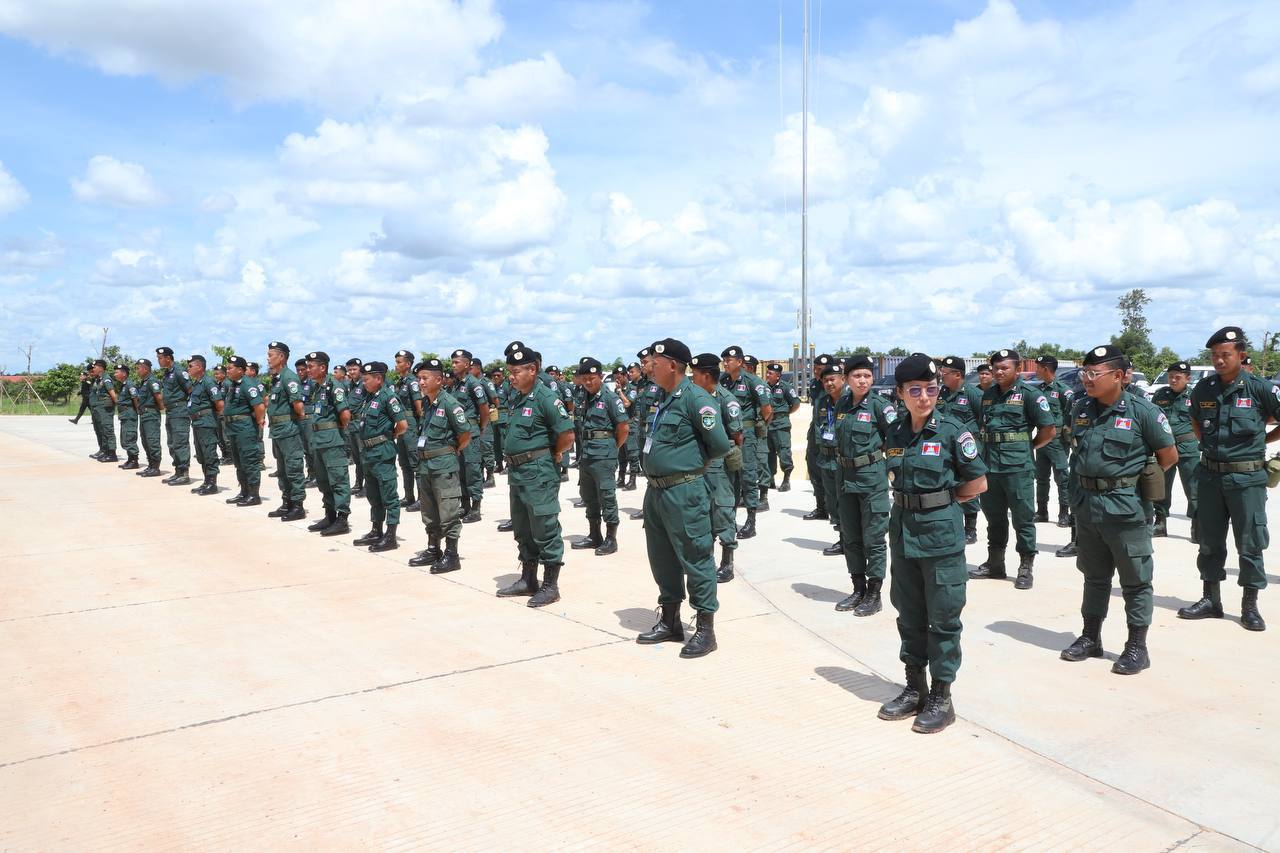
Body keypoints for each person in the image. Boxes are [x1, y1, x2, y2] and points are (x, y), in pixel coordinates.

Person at [878, 354, 987, 734]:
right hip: (903, 534)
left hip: (940, 539)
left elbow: (977, 483)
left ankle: (942, 696)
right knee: (908, 615)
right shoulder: (895, 432)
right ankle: (915, 688)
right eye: (915, 390)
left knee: (943, 618)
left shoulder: (954, 432)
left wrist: (938, 504)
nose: (924, 397)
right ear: (900, 393)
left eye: (930, 389)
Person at [1059, 345, 1177, 675]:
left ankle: (1137, 647)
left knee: (1136, 581)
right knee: (1094, 577)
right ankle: (1090, 637)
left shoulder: (1143, 412)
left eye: (1094, 373)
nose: (1087, 379)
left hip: (1126, 511)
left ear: (1120, 376)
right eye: (1084, 372)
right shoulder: (1080, 408)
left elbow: (1169, 456)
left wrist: (1132, 485)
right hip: (1088, 507)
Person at [635, 338, 733, 657]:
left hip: (684, 491)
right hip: (656, 492)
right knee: (662, 558)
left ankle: (705, 630)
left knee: (696, 557)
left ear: (674, 366)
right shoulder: (661, 396)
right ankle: (670, 621)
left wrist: (688, 466)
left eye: (655, 363)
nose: (650, 367)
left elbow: (719, 445)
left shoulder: (697, 399)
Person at [1178, 326, 1280, 631]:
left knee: (1250, 543)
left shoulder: (1260, 388)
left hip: (1247, 480)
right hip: (1210, 477)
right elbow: (1196, 420)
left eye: (1225, 355)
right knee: (1209, 541)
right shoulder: (1204, 388)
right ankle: (1211, 600)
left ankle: (1249, 606)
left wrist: (1263, 441)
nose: (1219, 360)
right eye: (1214, 355)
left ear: (1241, 355)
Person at [494, 344, 575, 606]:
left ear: (532, 369)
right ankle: (528, 579)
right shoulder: (518, 398)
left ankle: (550, 585)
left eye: (516, 372)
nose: (511, 377)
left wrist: (554, 454)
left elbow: (567, 435)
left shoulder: (546, 398)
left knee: (545, 527)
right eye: (510, 372)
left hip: (539, 473)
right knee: (523, 528)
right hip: (518, 473)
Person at [969, 349, 1056, 590]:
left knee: (1023, 520)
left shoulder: (1030, 395)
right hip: (990, 468)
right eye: (995, 368)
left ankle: (1025, 566)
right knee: (994, 518)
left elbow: (1048, 430)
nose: (999, 372)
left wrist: (1027, 447)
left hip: (1018, 468)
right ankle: (995, 564)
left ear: (1017, 369)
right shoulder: (988, 395)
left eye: (1004, 367)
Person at [832, 353, 896, 615]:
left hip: (871, 480)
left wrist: (892, 473)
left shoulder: (881, 406)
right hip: (845, 479)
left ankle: (874, 592)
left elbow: (894, 441)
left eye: (867, 376)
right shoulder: (842, 404)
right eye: (857, 376)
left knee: (874, 538)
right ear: (847, 378)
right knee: (851, 537)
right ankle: (858, 588)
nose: (862, 381)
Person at [407, 358, 471, 573]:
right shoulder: (427, 404)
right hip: (426, 466)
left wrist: (450, 452)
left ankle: (452, 555)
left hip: (443, 467)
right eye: (419, 378)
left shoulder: (450, 404)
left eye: (425, 378)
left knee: (448, 511)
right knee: (429, 511)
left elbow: (465, 434)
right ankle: (433, 549)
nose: (421, 382)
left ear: (439, 379)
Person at [689, 353, 742, 582]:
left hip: (719, 464)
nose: (692, 378)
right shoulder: (695, 397)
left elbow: (737, 435)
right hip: (700, 462)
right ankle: (705, 560)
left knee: (722, 510)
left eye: (695, 374)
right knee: (701, 509)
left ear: (706, 376)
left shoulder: (726, 399)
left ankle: (727, 562)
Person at [569, 358, 629, 556]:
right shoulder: (582, 397)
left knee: (607, 496)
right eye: (584, 378)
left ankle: (611, 538)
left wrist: (611, 449)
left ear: (601, 377)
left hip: (604, 456)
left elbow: (623, 428)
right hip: (586, 455)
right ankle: (594, 535)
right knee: (588, 496)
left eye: (592, 378)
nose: (588, 382)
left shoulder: (610, 398)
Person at [352, 361, 408, 552]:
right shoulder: (369, 398)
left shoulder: (388, 397)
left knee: (389, 495)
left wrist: (387, 437)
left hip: (382, 453)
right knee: (373, 495)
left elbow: (402, 425)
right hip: (368, 453)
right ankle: (376, 530)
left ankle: (390, 536)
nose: (364, 382)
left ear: (378, 378)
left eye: (366, 379)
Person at [720, 346, 772, 537]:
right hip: (727, 434)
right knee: (729, 477)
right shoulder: (723, 380)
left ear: (740, 362)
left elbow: (767, 410)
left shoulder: (753, 382)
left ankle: (751, 521)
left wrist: (757, 428)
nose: (725, 363)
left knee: (748, 476)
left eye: (729, 360)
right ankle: (730, 518)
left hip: (746, 435)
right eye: (724, 360)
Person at [303, 351, 353, 538]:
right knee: (323, 481)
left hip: (332, 441)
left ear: (322, 367)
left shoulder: (334, 386)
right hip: (318, 440)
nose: (308, 370)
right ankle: (330, 515)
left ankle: (342, 519)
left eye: (311, 366)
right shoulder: (316, 388)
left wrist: (334, 430)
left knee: (338, 479)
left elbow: (345, 415)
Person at [1151, 361, 1201, 540]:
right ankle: (1160, 523)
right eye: (1170, 376)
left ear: (1187, 378)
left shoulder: (1196, 396)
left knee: (1194, 488)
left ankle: (1197, 526)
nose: (1173, 380)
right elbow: (1153, 418)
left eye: (1177, 377)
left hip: (1188, 449)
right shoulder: (1160, 394)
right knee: (1162, 486)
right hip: (1165, 449)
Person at [937, 356, 983, 544]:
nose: (942, 376)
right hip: (945, 447)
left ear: (958, 375)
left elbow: (983, 421)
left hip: (966, 449)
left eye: (945, 373)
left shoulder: (973, 394)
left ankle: (970, 529)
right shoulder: (941, 393)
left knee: (968, 485)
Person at [265, 341, 307, 522]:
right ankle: (286, 502)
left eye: (271, 355)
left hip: (288, 430)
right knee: (282, 470)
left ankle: (297, 506)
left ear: (281, 357)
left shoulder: (289, 377)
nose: (268, 359)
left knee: (293, 468)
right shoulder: (278, 378)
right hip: (277, 430)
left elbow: (298, 406)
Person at [449, 349, 492, 523]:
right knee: (460, 471)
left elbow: (485, 411)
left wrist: (480, 428)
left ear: (466, 364)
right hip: (458, 434)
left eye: (456, 362)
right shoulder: (455, 385)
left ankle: (476, 508)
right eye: (452, 362)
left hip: (471, 432)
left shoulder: (474, 384)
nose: (453, 365)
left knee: (472, 470)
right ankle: (465, 505)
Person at [811, 356, 846, 556]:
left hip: (844, 460)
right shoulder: (821, 402)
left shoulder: (850, 401)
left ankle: (852, 540)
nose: (829, 383)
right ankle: (842, 539)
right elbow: (818, 428)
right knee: (833, 502)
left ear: (842, 379)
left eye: (833, 379)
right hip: (827, 459)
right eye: (826, 380)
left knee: (846, 502)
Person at [1033, 355, 1073, 527]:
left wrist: (1067, 433)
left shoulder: (1064, 390)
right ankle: (1042, 511)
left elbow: (1072, 413)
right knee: (1041, 477)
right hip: (1042, 440)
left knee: (1062, 478)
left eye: (1038, 367)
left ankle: (1064, 513)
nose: (1036, 370)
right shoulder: (1038, 390)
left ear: (1046, 369)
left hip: (1057, 442)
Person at [220, 356, 265, 505]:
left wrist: (259, 422)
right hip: (233, 428)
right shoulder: (233, 385)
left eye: (230, 368)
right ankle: (244, 492)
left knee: (249, 461)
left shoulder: (248, 384)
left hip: (244, 428)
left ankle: (254, 494)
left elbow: (259, 406)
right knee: (239, 462)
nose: (227, 370)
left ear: (240, 370)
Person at [803, 354, 839, 522]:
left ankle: (837, 510)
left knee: (833, 472)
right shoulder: (814, 384)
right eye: (815, 369)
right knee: (814, 468)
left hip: (833, 432)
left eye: (821, 370)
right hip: (816, 430)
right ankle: (821, 508)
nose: (817, 372)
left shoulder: (838, 386)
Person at [181, 354, 224, 495]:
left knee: (209, 452)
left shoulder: (208, 382)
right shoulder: (196, 383)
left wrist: (213, 419)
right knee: (201, 454)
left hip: (206, 423)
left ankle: (212, 484)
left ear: (199, 367)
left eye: (190, 366)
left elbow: (219, 404)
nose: (188, 369)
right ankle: (206, 482)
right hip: (197, 423)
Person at [390, 349, 424, 512]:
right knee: (404, 463)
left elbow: (419, 408)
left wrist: (420, 427)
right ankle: (408, 496)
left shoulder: (412, 382)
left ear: (408, 364)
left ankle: (422, 499)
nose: (396, 365)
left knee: (415, 462)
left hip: (411, 426)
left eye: (399, 362)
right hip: (402, 424)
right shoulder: (401, 382)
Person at [156, 347, 193, 485]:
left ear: (168, 358)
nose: (158, 361)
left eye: (160, 358)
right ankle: (178, 471)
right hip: (171, 412)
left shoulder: (179, 371)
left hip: (180, 411)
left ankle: (184, 473)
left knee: (180, 442)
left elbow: (191, 390)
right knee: (172, 443)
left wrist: (189, 408)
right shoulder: (167, 373)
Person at [765, 362, 801, 492]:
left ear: (778, 376)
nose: (767, 375)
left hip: (781, 425)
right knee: (768, 453)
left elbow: (796, 403)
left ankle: (786, 480)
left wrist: (785, 414)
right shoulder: (763, 387)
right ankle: (770, 480)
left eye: (770, 373)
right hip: (767, 425)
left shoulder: (786, 387)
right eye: (767, 372)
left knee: (784, 452)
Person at [133, 358, 165, 477]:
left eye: (138, 368)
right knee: (145, 441)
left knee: (152, 440)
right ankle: (151, 465)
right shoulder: (144, 382)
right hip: (144, 415)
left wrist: (160, 408)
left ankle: (156, 467)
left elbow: (158, 397)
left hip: (151, 414)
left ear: (145, 369)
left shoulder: (152, 381)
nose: (137, 371)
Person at [473, 357, 499, 486]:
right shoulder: (471, 382)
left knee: (486, 447)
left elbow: (495, 400)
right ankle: (480, 476)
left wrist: (491, 410)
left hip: (485, 419)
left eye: (471, 368)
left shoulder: (485, 382)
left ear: (478, 368)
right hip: (475, 420)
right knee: (477, 449)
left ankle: (490, 476)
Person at [87, 359, 118, 462]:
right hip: (98, 409)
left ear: (101, 368)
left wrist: (118, 407)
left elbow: (113, 395)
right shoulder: (98, 379)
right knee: (100, 430)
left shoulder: (106, 379)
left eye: (95, 367)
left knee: (108, 430)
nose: (93, 369)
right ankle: (104, 450)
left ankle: (112, 454)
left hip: (105, 409)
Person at [345, 358, 366, 496]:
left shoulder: (365, 384)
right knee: (357, 458)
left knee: (364, 457)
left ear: (360, 369)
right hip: (351, 425)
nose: (352, 372)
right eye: (350, 369)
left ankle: (368, 486)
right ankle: (358, 484)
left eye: (355, 369)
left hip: (361, 424)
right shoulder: (349, 385)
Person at [113, 363, 140, 469]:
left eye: (117, 372)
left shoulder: (130, 384)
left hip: (129, 415)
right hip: (125, 415)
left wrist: (137, 411)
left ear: (124, 373)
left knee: (129, 437)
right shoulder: (123, 385)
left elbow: (135, 398)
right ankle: (130, 459)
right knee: (125, 438)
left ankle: (134, 461)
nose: (115, 374)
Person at [489, 367, 508, 474]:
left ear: (503, 376)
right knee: (496, 442)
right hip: (494, 417)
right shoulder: (492, 387)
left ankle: (509, 464)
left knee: (504, 442)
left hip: (504, 416)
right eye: (494, 375)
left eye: (498, 375)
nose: (496, 377)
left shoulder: (506, 386)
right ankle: (499, 464)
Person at [212, 364, 232, 463]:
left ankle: (230, 456)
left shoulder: (228, 384)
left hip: (225, 414)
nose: (216, 375)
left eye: (218, 374)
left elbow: (229, 399)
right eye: (215, 374)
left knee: (226, 436)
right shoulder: (218, 384)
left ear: (224, 374)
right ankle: (224, 455)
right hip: (218, 414)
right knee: (220, 436)